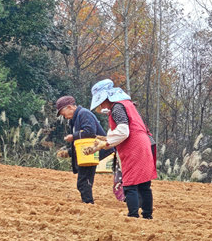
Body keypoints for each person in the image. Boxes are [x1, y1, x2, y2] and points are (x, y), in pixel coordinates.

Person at [84, 79, 157, 219]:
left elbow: (123, 131)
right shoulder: (127, 104)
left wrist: (105, 143)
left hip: (134, 146)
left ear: (106, 97)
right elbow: (121, 129)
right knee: (144, 184)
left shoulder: (117, 107)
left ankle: (133, 216)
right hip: (144, 143)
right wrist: (106, 138)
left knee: (130, 184)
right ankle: (147, 216)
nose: (101, 105)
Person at [54, 96, 113, 204]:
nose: (64, 116)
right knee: (83, 182)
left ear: (70, 107)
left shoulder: (84, 114)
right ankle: (88, 204)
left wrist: (73, 136)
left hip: (93, 152)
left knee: (83, 182)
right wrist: (69, 152)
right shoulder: (76, 118)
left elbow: (90, 132)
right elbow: (81, 142)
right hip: (88, 152)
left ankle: (88, 205)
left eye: (63, 113)